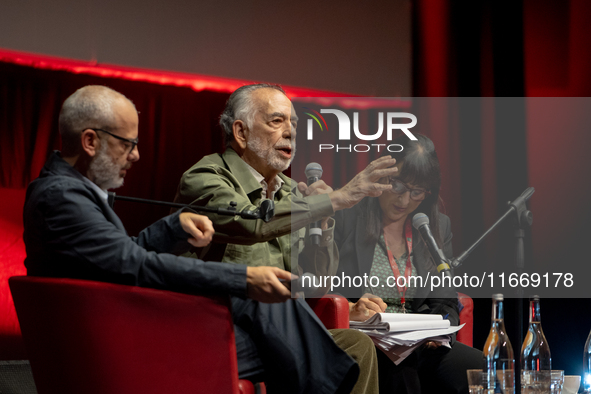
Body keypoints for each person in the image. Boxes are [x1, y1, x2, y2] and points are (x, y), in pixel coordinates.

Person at [23, 85, 363, 394]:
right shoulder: (61, 198)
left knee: (285, 338)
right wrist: (244, 279)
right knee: (273, 324)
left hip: (117, 331)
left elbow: (121, 255)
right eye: (128, 144)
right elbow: (134, 264)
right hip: (109, 345)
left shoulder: (69, 191)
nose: (136, 156)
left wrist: (173, 227)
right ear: (90, 141)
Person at [173, 83, 399, 394]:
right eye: (277, 121)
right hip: (220, 328)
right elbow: (250, 224)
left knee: (356, 345)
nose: (291, 132)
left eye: (293, 123)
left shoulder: (293, 192)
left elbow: (315, 285)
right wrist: (336, 199)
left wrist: (323, 221)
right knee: (291, 324)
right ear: (240, 132)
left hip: (282, 331)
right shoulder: (205, 178)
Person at [333, 134, 483, 394]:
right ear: (381, 176)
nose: (404, 201)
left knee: (481, 368)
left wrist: (442, 331)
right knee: (402, 372)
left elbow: (445, 299)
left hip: (419, 344)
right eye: (398, 186)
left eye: (417, 192)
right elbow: (320, 287)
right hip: (370, 340)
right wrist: (352, 307)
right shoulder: (347, 217)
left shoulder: (436, 226)